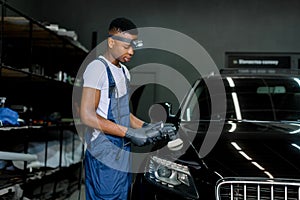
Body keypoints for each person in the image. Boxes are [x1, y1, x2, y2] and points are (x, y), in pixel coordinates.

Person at [80, 17, 172, 200]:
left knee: (122, 196)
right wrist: (129, 133)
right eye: (126, 46)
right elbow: (87, 115)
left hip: (122, 150)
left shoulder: (124, 71)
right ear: (111, 42)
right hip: (104, 151)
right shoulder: (97, 68)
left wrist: (148, 127)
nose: (131, 51)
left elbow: (123, 114)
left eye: (133, 45)